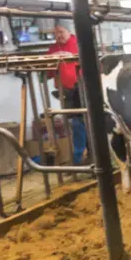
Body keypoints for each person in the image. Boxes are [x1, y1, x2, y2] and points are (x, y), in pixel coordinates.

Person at [46, 21, 87, 165]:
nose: (58, 36)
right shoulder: (53, 48)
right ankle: (83, 156)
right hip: (65, 91)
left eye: (61, 32)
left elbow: (91, 64)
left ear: (69, 32)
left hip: (83, 88)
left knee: (82, 121)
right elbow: (48, 71)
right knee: (75, 122)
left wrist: (71, 56)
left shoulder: (80, 44)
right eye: (55, 33)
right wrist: (51, 60)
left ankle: (80, 157)